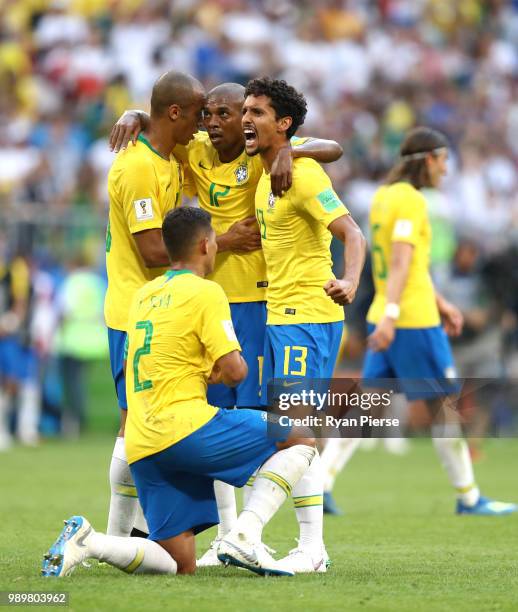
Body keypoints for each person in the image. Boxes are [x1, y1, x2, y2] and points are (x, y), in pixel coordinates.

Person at [109, 82, 344, 563]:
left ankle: (306, 543)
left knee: (285, 424)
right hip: (207, 302)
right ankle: (230, 536)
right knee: (214, 415)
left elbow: (333, 147)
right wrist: (136, 111)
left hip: (260, 305)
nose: (213, 122)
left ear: (249, 118)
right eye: (208, 114)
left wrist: (292, 155)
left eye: (226, 114)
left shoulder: (268, 152)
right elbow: (165, 122)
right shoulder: (197, 149)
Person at [42, 207, 320, 578]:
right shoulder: (207, 292)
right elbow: (236, 372)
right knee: (300, 435)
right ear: (206, 245)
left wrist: (198, 370)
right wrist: (222, 370)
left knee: (178, 564)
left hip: (142, 442)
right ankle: (245, 533)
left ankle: (90, 542)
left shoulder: (143, 295)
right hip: (185, 427)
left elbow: (141, 365)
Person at [242, 77, 366, 571]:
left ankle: (249, 532)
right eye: (244, 110)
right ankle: (310, 548)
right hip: (280, 316)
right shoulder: (265, 171)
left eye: (258, 112)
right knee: (291, 435)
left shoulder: (307, 175)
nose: (247, 119)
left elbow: (353, 234)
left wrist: (350, 281)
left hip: (308, 316)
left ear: (284, 124)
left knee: (296, 432)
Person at [362, 126, 517, 516]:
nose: (446, 170)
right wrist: (397, 316)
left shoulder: (382, 197)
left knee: (368, 403)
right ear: (428, 160)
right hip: (411, 319)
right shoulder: (413, 201)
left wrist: (441, 301)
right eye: (444, 160)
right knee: (444, 407)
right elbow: (401, 261)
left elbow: (404, 266)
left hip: (385, 310)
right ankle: (469, 498)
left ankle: (324, 484)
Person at [104, 70, 206, 539]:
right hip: (132, 315)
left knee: (150, 424)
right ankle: (115, 532)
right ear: (175, 113)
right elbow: (149, 250)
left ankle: (134, 534)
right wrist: (219, 242)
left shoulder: (168, 155)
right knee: (134, 425)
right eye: (197, 114)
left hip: (153, 308)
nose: (202, 124)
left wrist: (137, 113)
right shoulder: (138, 167)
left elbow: (159, 119)